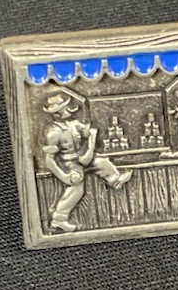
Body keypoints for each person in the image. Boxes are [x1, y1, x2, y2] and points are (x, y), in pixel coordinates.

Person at [40, 92, 132, 232]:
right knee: (76, 189)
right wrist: (64, 176)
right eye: (66, 107)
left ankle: (115, 180)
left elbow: (86, 130)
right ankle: (58, 220)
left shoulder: (73, 123)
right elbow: (50, 160)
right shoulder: (53, 132)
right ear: (57, 113)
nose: (71, 109)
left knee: (101, 162)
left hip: (82, 158)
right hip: (68, 163)